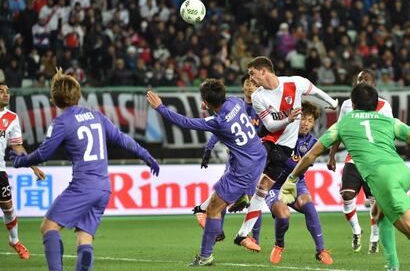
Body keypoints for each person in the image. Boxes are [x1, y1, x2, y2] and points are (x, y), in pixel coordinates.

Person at [9, 68, 160, 271]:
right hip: (103, 188)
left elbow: (43, 154)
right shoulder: (96, 116)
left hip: (83, 186)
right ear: (78, 95)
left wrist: (20, 161)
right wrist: (146, 155)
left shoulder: (61, 122)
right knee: (84, 238)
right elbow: (122, 138)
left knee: (48, 227)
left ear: (54, 98)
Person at [280, 83, 410, 271]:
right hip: (402, 172)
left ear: (353, 103)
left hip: (384, 179)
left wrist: (292, 178)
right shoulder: (390, 121)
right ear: (376, 104)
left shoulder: (343, 124)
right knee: (379, 213)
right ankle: (393, 266)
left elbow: (311, 155)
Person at [147, 79, 266, 266]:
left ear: (206, 102)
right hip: (258, 157)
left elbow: (185, 123)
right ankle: (242, 197)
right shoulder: (236, 102)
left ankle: (205, 256)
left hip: (242, 170)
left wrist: (161, 108)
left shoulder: (217, 121)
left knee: (212, 209)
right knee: (218, 196)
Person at [234, 56, 337, 251]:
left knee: (263, 187)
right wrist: (288, 120)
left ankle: (242, 234)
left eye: (252, 73)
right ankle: (238, 193)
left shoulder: (295, 82)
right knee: (248, 162)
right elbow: (271, 125)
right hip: (269, 140)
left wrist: (332, 102)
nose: (250, 78)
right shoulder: (258, 96)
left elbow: (314, 90)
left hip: (284, 150)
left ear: (264, 71)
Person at [192, 74, 264, 245]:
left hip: (254, 156)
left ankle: (254, 236)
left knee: (254, 196)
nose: (250, 87)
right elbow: (218, 127)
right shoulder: (236, 104)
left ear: (258, 87)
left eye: (253, 84)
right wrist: (209, 148)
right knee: (225, 194)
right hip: (237, 158)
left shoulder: (261, 107)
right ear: (243, 87)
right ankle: (218, 229)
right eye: (247, 83)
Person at [327, 69, 393, 253]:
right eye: (359, 79)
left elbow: (389, 132)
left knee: (374, 201)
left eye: (366, 79)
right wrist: (332, 155)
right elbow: (338, 130)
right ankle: (357, 230)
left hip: (376, 160)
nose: (362, 81)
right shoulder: (349, 105)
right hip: (354, 158)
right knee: (347, 195)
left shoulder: (384, 106)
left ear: (374, 84)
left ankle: (375, 236)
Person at [265, 101, 333, 265]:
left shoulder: (312, 143)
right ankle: (279, 245)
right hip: (273, 183)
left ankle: (321, 250)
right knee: (283, 215)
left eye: (310, 121)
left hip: (296, 182)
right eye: (304, 119)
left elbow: (301, 168)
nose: (306, 124)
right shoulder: (280, 134)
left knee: (308, 205)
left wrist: (287, 166)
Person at [0, 81, 45, 260]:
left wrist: (33, 167)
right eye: (1, 91)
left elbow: (17, 147)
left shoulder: (11, 118)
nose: (6, 94)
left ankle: (15, 240)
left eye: (8, 91)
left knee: (7, 207)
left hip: (0, 169)